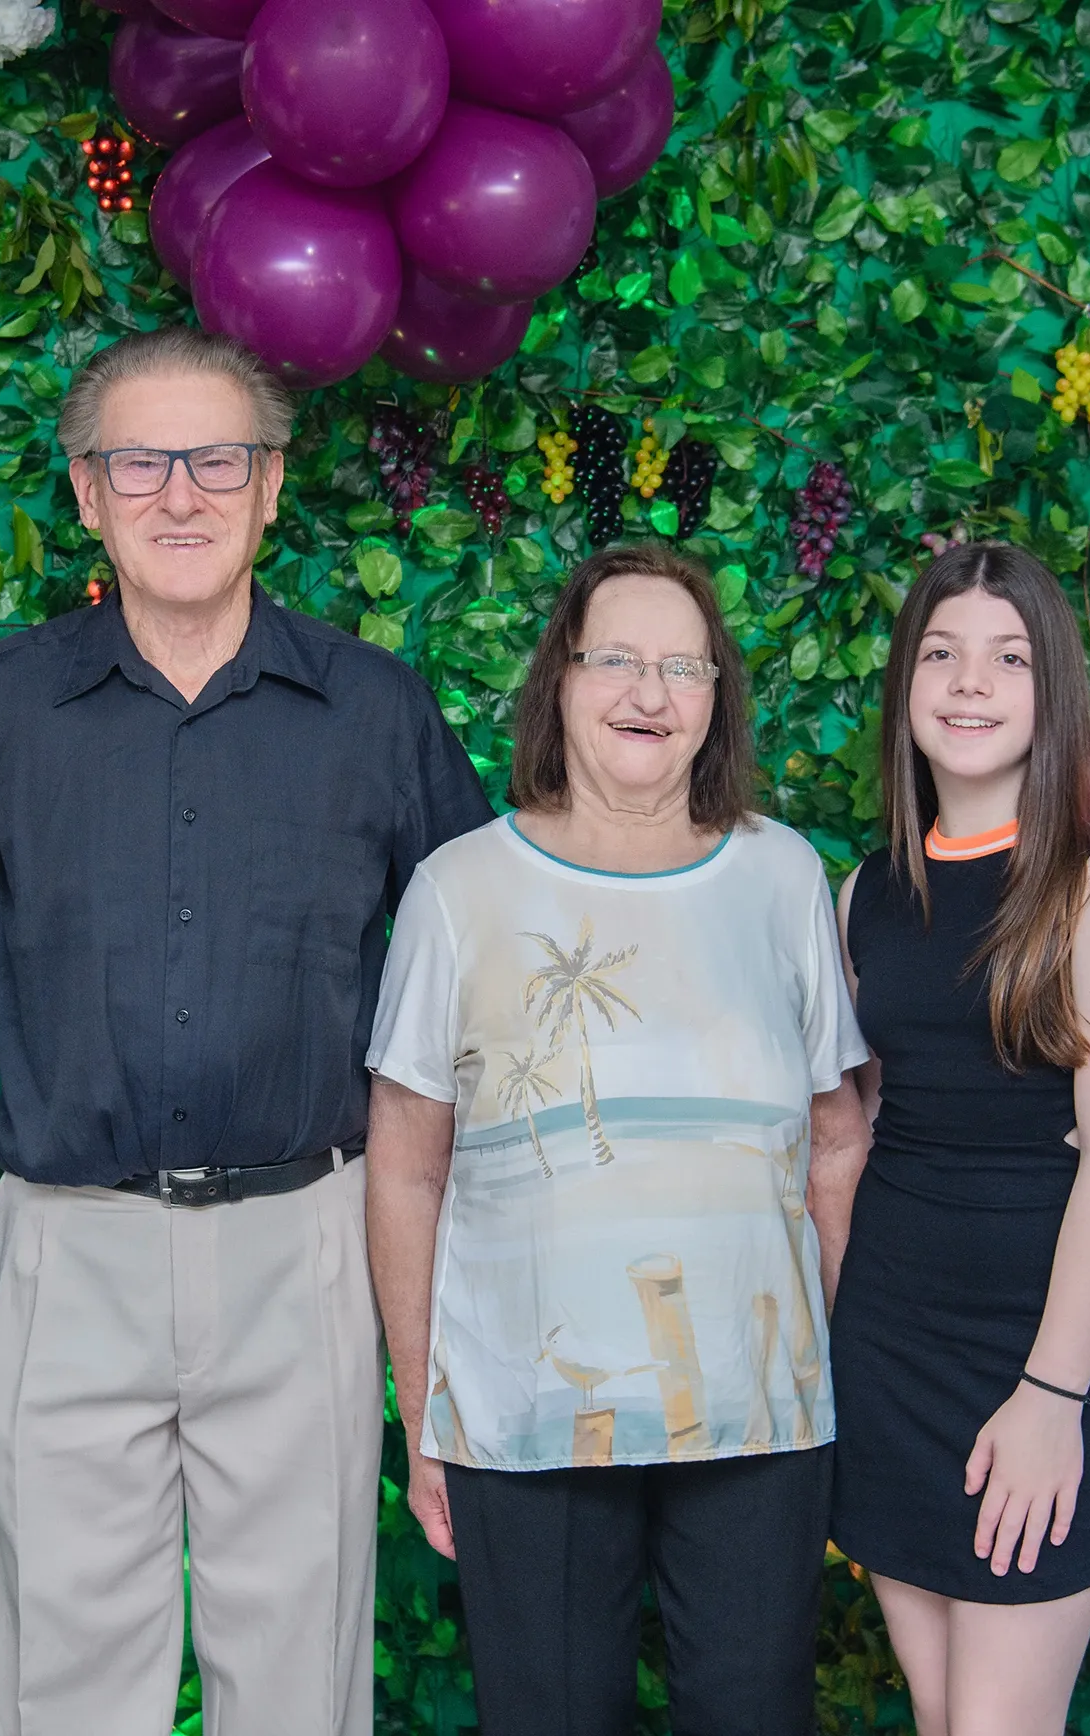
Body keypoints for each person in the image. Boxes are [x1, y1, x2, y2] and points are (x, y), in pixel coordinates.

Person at [0, 326, 492, 1736]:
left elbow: (481, 977)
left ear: (271, 487)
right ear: (86, 491)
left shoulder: (375, 710)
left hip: (303, 1245)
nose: (178, 494)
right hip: (72, 1249)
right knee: (62, 1677)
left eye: (217, 459)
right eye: (139, 461)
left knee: (297, 1666)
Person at [365, 542, 872, 1736]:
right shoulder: (458, 889)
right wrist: (423, 1404)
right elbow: (404, 1161)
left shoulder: (783, 875)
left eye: (682, 667)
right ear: (560, 681)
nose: (650, 693)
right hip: (523, 1415)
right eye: (617, 660)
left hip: (759, 1418)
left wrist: (818, 1355)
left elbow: (837, 1142)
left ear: (714, 697)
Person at [826, 543, 1090, 1734]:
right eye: (941, 652)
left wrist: (1050, 1391)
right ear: (905, 683)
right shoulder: (865, 891)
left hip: (1041, 1352)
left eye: (1008, 656)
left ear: (1052, 690)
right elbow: (867, 1123)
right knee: (943, 1717)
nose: (969, 682)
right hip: (888, 1344)